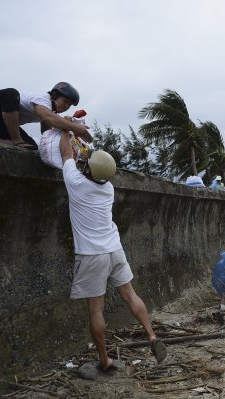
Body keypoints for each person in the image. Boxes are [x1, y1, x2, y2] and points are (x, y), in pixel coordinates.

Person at [59, 138, 167, 373]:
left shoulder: (76, 183)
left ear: (88, 169)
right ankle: (151, 336)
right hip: (114, 249)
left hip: (91, 255)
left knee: (96, 310)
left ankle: (105, 360)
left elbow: (66, 153)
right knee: (130, 295)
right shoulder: (108, 187)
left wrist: (65, 128)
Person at [0, 82, 92, 149]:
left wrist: (66, 129)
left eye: (70, 105)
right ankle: (16, 140)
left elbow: (46, 132)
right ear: (55, 95)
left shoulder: (50, 111)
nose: (67, 106)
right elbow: (48, 117)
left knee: (32, 147)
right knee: (11, 94)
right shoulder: (43, 99)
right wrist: (76, 128)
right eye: (65, 101)